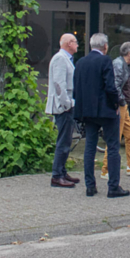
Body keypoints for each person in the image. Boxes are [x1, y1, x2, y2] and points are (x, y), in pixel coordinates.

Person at [73, 33, 130, 198]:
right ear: (105, 47)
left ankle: (90, 186)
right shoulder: (105, 61)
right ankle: (113, 187)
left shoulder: (80, 62)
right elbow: (110, 87)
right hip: (105, 110)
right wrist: (116, 105)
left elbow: (76, 88)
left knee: (89, 147)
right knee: (112, 146)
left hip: (88, 111)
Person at [102, 41, 130, 179]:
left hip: (123, 105)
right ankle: (106, 169)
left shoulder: (122, 64)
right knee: (115, 137)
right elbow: (115, 86)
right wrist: (120, 102)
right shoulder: (119, 65)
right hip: (120, 105)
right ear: (129, 53)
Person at [45, 33, 80, 189]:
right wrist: (67, 104)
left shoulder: (66, 59)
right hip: (63, 107)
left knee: (66, 140)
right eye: (75, 42)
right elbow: (59, 84)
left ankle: (62, 171)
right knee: (63, 141)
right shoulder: (60, 59)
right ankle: (57, 175)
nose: (78, 45)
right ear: (68, 44)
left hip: (66, 104)